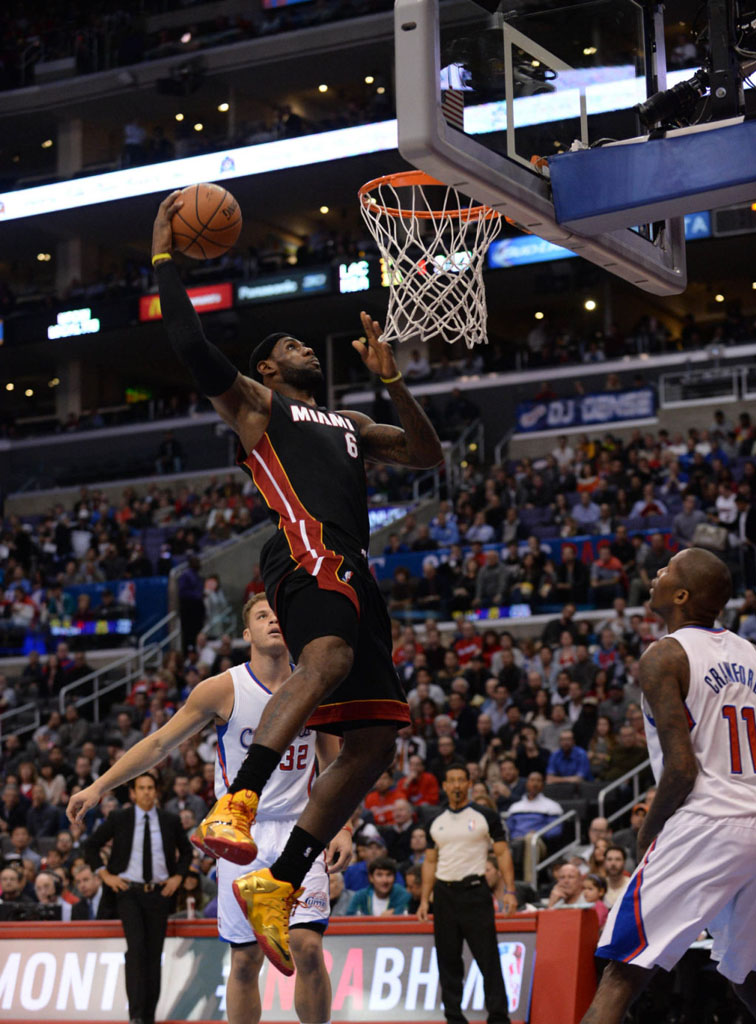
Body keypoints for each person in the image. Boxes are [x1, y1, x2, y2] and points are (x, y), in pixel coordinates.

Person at [150, 192, 443, 975]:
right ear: (268, 367)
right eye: (286, 344)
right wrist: (162, 256)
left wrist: (394, 381)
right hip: (304, 546)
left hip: (351, 563)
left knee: (374, 742)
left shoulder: (347, 423)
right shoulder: (257, 405)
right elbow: (188, 342)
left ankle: (277, 883)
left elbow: (427, 457)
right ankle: (236, 801)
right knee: (331, 664)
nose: (303, 349)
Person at [69, 594, 350, 1022]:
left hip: (301, 828)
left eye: (279, 615)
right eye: (262, 616)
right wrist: (99, 787)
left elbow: (335, 765)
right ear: (247, 633)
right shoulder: (222, 688)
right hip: (241, 835)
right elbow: (160, 742)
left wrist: (344, 828)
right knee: (244, 961)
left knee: (308, 949)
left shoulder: (316, 685)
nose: (273, 621)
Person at [580, 548, 756, 1023]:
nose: (655, 574)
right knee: (747, 973)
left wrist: (647, 830)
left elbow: (681, 769)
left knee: (623, 969)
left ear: (680, 595)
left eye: (666, 571)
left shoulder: (665, 655)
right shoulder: (753, 656)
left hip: (707, 821)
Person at [78, 773, 191, 1024]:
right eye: (142, 788)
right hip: (128, 892)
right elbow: (91, 845)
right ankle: (136, 1016)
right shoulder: (120, 817)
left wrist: (178, 878)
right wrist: (105, 875)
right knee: (137, 949)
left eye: (151, 787)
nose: (147, 792)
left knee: (154, 954)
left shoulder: (169, 820)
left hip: (160, 893)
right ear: (132, 793)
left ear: (157, 791)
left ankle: (149, 1016)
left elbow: (187, 852)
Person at [419, 764, 516, 1024]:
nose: (458, 785)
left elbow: (504, 853)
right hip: (443, 895)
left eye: (462, 780)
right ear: (445, 786)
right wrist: (424, 898)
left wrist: (510, 891)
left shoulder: (486, 816)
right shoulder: (434, 821)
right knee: (448, 961)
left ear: (469, 784)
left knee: (488, 959)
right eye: (452, 781)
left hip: (475, 893)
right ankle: (453, 1017)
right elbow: (429, 862)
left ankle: (498, 1016)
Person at [346, 856, 411, 915]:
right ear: (371, 878)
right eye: (379, 875)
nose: (385, 880)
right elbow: (348, 919)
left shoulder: (402, 894)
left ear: (394, 877)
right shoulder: (360, 896)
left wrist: (395, 913)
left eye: (389, 875)